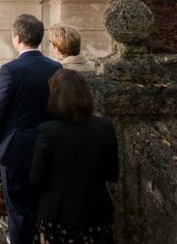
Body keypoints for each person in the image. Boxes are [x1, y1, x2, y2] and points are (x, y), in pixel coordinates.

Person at [0, 14, 62, 244]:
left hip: (16, 149)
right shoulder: (55, 67)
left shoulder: (11, 69)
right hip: (48, 146)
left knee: (18, 211)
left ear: (17, 37)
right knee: (41, 207)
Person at [31, 70, 119, 243]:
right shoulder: (105, 128)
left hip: (57, 214)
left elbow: (35, 178)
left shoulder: (48, 132)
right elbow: (112, 173)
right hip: (96, 212)